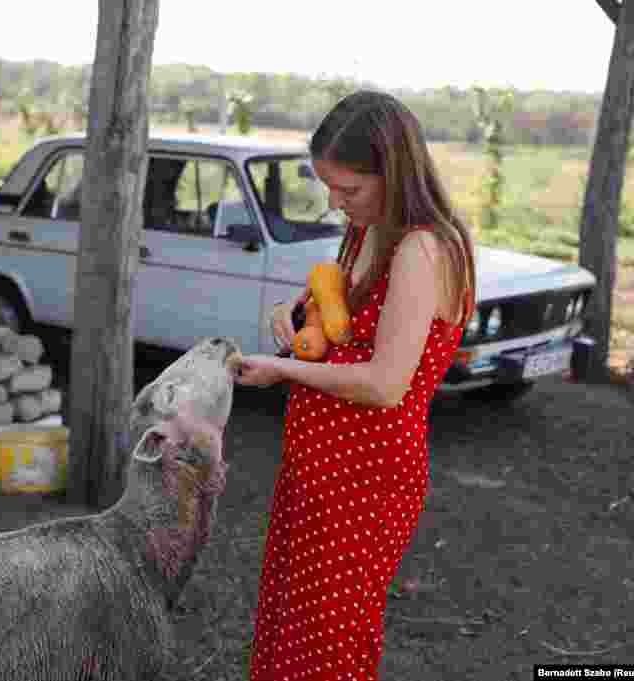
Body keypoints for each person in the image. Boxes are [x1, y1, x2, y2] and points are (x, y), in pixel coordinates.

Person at [234, 90, 477, 680]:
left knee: (328, 647)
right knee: (291, 629)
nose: (337, 203)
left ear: (394, 172)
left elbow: (385, 383)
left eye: (349, 190)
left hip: (365, 478)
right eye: (328, 188)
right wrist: (296, 314)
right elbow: (339, 311)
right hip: (317, 468)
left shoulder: (422, 249)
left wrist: (283, 368)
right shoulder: (366, 230)